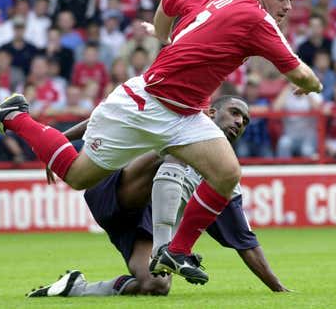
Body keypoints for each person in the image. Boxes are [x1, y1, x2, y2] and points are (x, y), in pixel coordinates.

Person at [0, 0, 322, 284]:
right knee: (79, 176)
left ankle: (176, 252)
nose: (288, 6)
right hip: (145, 105)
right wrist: (313, 85)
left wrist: (164, 36)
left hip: (185, 113)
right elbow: (302, 74)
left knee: (227, 172)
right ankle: (16, 117)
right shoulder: (256, 17)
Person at [27, 96, 288, 297]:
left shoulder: (226, 178)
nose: (239, 122)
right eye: (234, 113)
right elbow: (111, 115)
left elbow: (246, 242)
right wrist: (60, 141)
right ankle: (167, 249)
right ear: (210, 112)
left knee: (156, 285)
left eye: (245, 121)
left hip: (141, 221)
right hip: (114, 188)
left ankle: (76, 287)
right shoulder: (181, 117)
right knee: (179, 146)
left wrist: (279, 289)